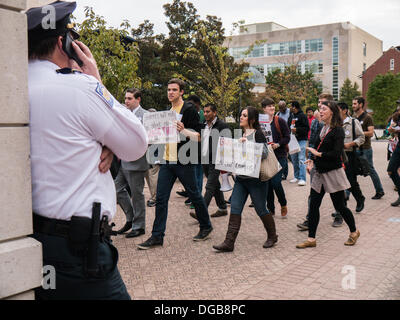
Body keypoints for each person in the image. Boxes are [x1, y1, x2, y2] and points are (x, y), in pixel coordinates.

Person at [27, 1, 148, 299]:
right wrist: (96, 80)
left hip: (34, 240)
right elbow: (135, 144)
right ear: (63, 42)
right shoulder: (79, 87)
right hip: (79, 251)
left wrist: (104, 140)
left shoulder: (14, 85)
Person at [137, 79, 213, 250]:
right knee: (161, 199)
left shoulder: (189, 110)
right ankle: (157, 236)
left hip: (184, 161)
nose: (170, 92)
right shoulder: (168, 112)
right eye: (169, 89)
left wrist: (184, 130)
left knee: (194, 194)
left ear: (181, 92)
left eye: (174, 90)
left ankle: (206, 226)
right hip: (167, 161)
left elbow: (200, 136)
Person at [213, 106, 278, 252]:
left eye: (244, 115)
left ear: (252, 119)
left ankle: (272, 236)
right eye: (241, 114)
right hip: (241, 179)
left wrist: (246, 145)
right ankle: (229, 242)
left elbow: (264, 154)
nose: (241, 117)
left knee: (261, 209)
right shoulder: (240, 133)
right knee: (235, 208)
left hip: (256, 181)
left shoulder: (258, 134)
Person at [296, 101, 360, 249]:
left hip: (332, 173)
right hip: (319, 173)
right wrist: (311, 161)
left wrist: (318, 154)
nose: (321, 111)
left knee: (340, 206)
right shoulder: (323, 128)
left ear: (332, 112)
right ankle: (311, 239)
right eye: (320, 108)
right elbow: (317, 146)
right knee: (313, 205)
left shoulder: (338, 131)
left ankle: (354, 231)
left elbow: (336, 153)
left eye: (324, 109)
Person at [114, 88, 149, 238]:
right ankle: (131, 218)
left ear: (138, 99)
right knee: (116, 190)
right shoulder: (123, 114)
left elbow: (151, 138)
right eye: (126, 98)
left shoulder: (146, 116)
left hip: (137, 161)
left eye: (129, 98)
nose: (126, 101)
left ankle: (139, 226)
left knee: (137, 194)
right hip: (123, 160)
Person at [297, 93, 332, 231]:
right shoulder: (317, 119)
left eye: (322, 103)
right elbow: (313, 139)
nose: (319, 105)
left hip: (331, 163)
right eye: (318, 102)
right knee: (314, 192)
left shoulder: (335, 121)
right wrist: (310, 157)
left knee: (336, 194)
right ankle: (309, 219)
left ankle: (340, 215)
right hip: (317, 163)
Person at [190, 103, 230, 219]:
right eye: (205, 112)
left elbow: (227, 143)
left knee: (210, 186)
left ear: (215, 112)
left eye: (208, 112)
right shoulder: (203, 126)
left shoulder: (222, 126)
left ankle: (201, 212)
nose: (206, 114)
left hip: (216, 160)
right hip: (205, 159)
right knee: (215, 184)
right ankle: (222, 207)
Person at [261, 98, 290, 218]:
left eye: (273, 106)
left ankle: (283, 204)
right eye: (269, 106)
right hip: (267, 157)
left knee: (276, 182)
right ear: (264, 109)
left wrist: (278, 144)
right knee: (267, 184)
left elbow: (288, 137)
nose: (272, 108)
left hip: (280, 155)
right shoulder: (261, 123)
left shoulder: (280, 121)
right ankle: (270, 209)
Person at [353, 97, 385, 200]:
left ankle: (379, 191)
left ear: (361, 105)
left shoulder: (367, 117)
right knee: (351, 171)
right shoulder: (353, 117)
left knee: (370, 169)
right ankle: (347, 194)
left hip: (365, 149)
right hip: (355, 148)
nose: (353, 105)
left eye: (355, 104)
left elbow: (371, 133)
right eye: (352, 104)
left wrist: (359, 133)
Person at [338, 102, 366, 217]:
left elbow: (362, 137)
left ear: (344, 110)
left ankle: (360, 199)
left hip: (350, 156)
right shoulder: (335, 123)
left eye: (338, 110)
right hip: (338, 156)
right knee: (339, 183)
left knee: (350, 181)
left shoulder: (353, 122)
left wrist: (351, 144)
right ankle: (341, 208)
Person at [288, 101, 309, 186]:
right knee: (294, 159)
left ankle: (302, 178)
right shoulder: (291, 116)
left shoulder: (302, 116)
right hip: (293, 141)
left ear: (294, 107)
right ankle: (296, 176)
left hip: (301, 140)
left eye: (291, 106)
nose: (290, 108)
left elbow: (307, 128)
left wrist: (297, 130)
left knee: (301, 159)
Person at [145, 108, 160, 207]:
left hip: (151, 152)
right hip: (153, 153)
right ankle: (154, 197)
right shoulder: (158, 126)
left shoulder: (146, 126)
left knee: (151, 175)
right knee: (151, 175)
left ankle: (154, 198)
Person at [387, 110, 400, 206]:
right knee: (391, 170)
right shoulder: (396, 116)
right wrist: (391, 130)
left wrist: (396, 130)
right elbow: (391, 128)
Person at [276, 100, 290, 180]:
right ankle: (283, 173)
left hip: (288, 134)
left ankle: (285, 173)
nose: (281, 109)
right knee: (284, 155)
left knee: (286, 155)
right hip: (280, 136)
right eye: (280, 108)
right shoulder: (278, 114)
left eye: (282, 108)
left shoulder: (289, 112)